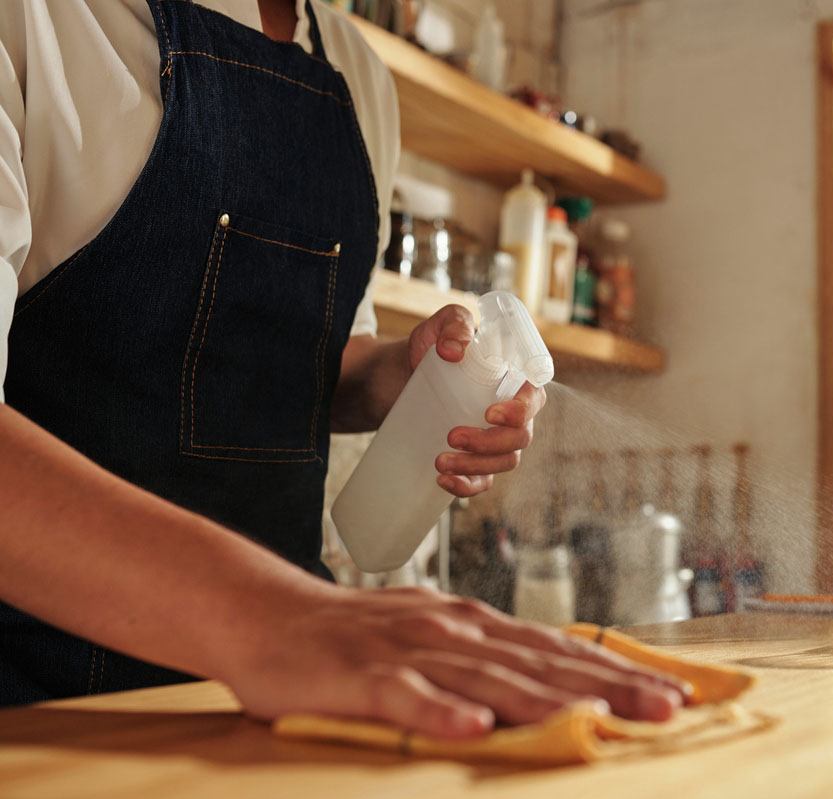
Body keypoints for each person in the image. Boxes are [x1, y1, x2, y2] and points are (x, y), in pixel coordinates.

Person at [0, 0, 687, 737]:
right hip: (37, 694)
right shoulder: (39, 18)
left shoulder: (356, 70)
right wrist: (277, 618)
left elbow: (318, 364)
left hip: (291, 699)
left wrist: (406, 378)